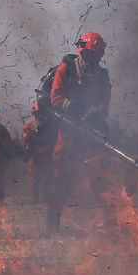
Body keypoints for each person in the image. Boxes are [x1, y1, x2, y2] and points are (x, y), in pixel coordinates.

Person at [35, 31, 111, 236]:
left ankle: (113, 225)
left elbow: (104, 104)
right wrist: (75, 108)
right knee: (61, 178)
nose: (94, 59)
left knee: (100, 177)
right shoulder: (67, 69)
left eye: (98, 55)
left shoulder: (102, 76)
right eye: (90, 55)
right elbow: (56, 98)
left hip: (89, 135)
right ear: (82, 51)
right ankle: (53, 226)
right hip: (67, 132)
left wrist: (94, 117)